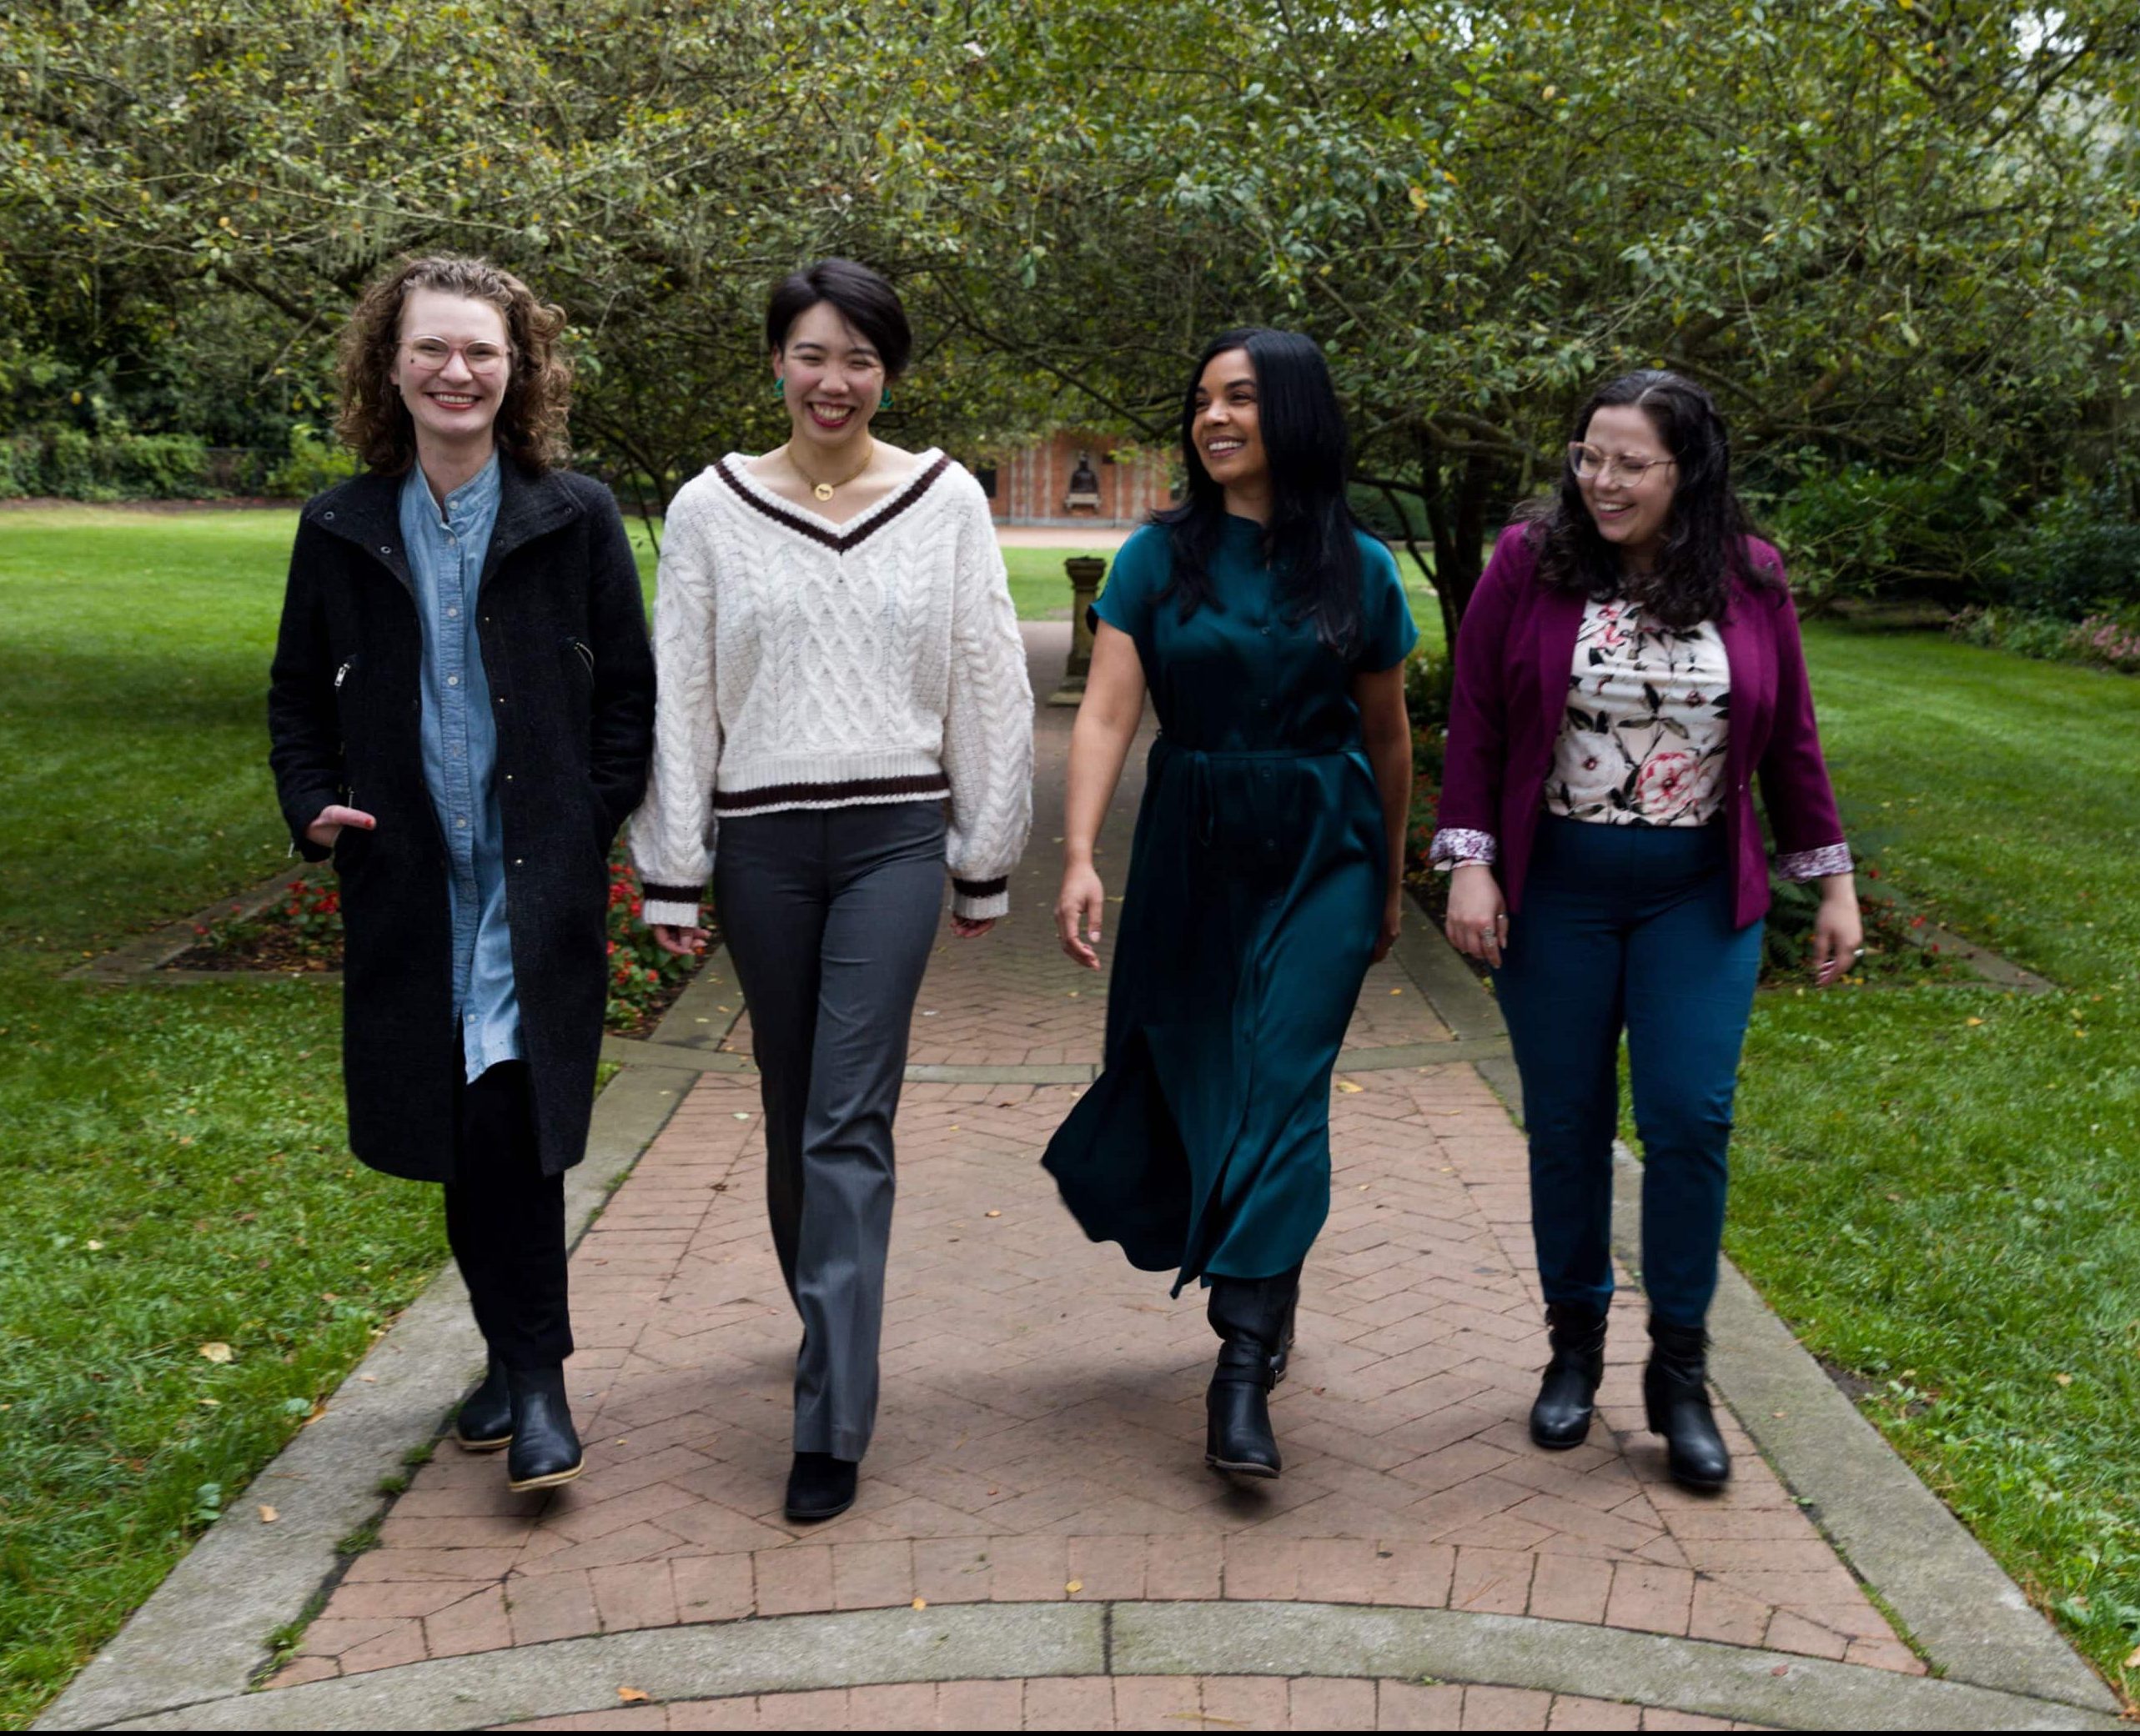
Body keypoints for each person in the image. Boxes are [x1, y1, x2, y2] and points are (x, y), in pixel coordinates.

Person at [632, 258, 1033, 1523]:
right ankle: (825, 1308)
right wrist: (672, 867)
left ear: (887, 373)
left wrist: (986, 848)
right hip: (759, 846)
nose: (833, 380)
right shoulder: (707, 507)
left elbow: (985, 670)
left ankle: (831, 1412)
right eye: (811, 353)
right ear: (775, 362)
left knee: (847, 1114)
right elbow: (679, 685)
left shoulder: (943, 496)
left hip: (890, 842)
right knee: (793, 1097)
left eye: (858, 358)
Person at [1432, 369, 1862, 1490]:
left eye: (1630, 462)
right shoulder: (1528, 564)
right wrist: (1470, 864)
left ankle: (1679, 1370)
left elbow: (1793, 737)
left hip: (1694, 895)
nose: (1603, 480)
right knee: (1566, 1124)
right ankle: (1572, 1348)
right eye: (1588, 455)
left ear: (1686, 470)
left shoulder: (1747, 574)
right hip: (1558, 888)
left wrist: (1831, 879)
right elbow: (1475, 719)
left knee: (1687, 1117)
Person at [269, 255, 656, 1492]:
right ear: (390, 364)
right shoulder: (339, 525)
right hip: (408, 879)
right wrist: (309, 805)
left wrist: (587, 818)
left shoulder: (573, 513)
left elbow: (628, 700)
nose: (456, 371)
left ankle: (536, 1384)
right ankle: (506, 1361)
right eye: (432, 348)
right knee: (453, 1121)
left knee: (511, 1120)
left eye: (481, 350)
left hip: (532, 879)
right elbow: (292, 695)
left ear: (517, 367)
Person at [1043, 328, 1416, 1481]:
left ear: (1293, 413)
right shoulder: (1157, 558)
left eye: (1241, 399)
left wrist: (1389, 874)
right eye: (1201, 399)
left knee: (1281, 1088)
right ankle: (1267, 1284)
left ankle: (1241, 1366)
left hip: (1322, 844)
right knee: (1203, 1077)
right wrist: (1076, 852)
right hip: (1194, 842)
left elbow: (1387, 732)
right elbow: (1106, 713)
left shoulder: (1360, 567)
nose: (1213, 418)